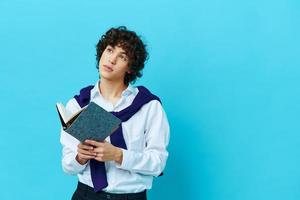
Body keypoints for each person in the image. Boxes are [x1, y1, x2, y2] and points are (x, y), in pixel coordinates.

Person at [60, 26, 170, 200]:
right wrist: (80, 157)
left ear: (130, 68)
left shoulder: (149, 106)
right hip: (86, 195)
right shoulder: (79, 104)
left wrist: (119, 155)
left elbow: (158, 163)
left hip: (130, 196)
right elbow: (67, 166)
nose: (111, 59)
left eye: (122, 56)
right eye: (110, 50)